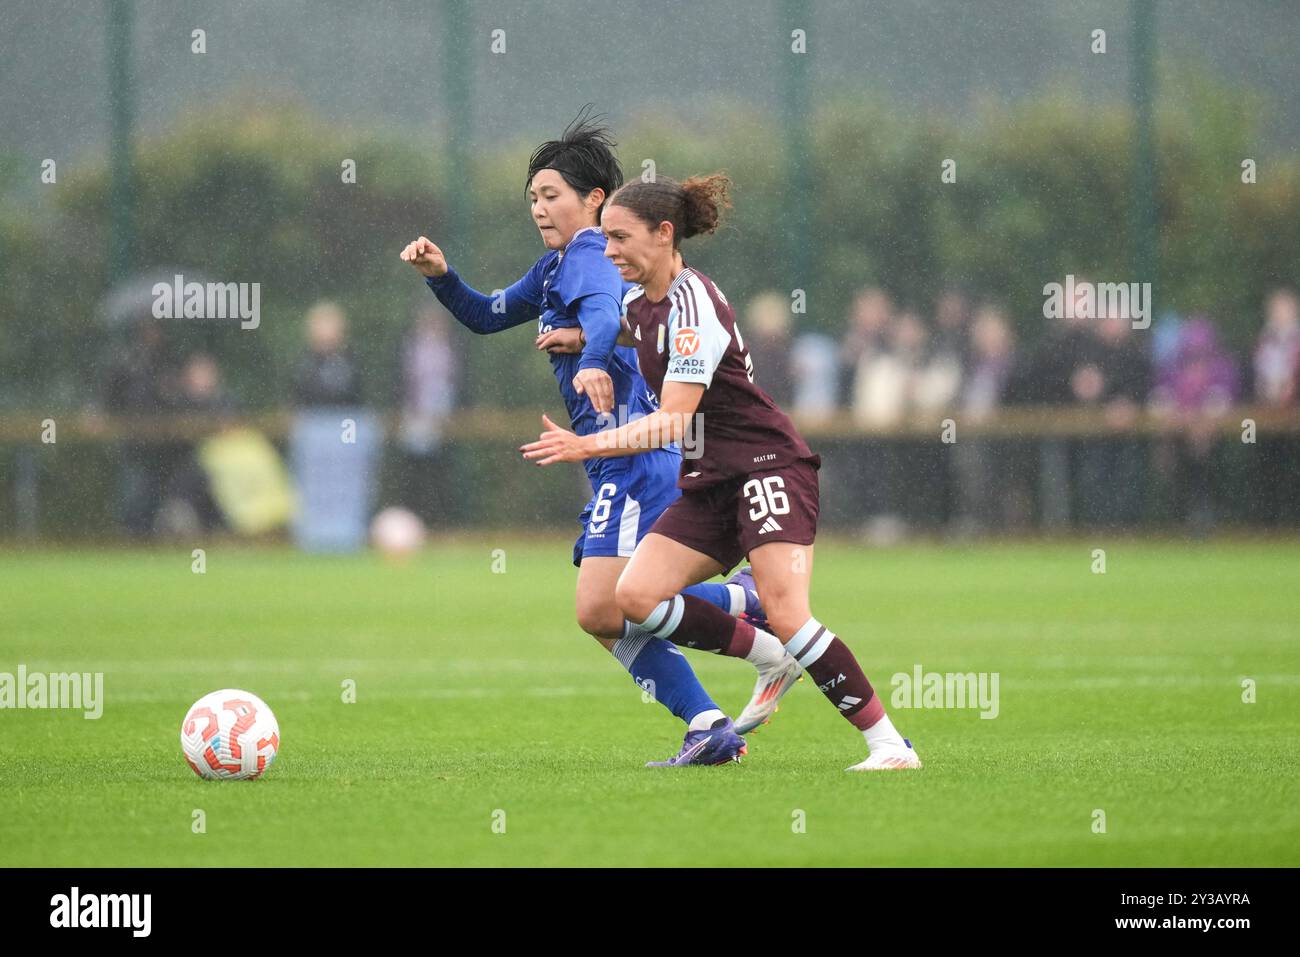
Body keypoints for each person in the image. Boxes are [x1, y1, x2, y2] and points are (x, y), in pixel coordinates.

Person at [400, 114, 797, 766]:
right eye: (531, 196)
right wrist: (442, 276)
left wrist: (589, 351)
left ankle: (747, 620)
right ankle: (709, 718)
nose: (538, 207)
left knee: (612, 603)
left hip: (636, 456)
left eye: (550, 193)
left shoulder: (590, 256)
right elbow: (487, 313)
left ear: (593, 201)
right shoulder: (558, 266)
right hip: (623, 461)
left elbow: (609, 312)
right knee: (607, 611)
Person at [523, 173, 921, 771]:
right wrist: (581, 336)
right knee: (631, 597)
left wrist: (589, 445)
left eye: (620, 239)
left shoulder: (691, 308)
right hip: (711, 482)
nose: (608, 253)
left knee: (790, 613)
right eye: (604, 240)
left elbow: (675, 420)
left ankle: (889, 745)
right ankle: (768, 653)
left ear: (663, 235)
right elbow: (629, 329)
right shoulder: (641, 301)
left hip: (769, 469)